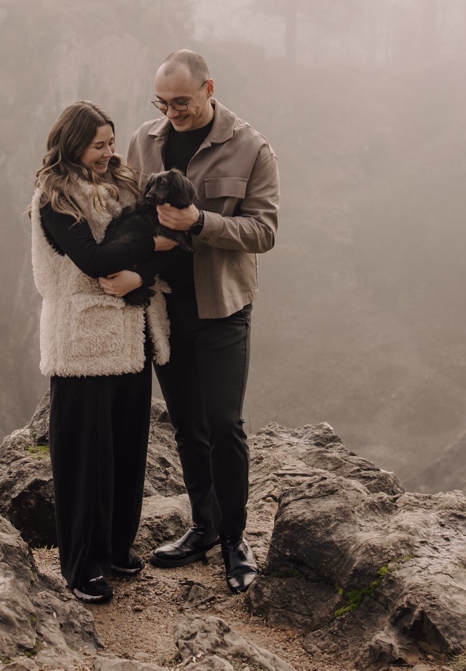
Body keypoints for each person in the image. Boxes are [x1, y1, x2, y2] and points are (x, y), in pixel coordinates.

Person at [126, 50, 279, 595]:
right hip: (165, 309)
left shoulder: (251, 147)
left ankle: (237, 539)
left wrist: (199, 222)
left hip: (223, 308)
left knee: (224, 425)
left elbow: (263, 231)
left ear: (210, 88)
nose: (173, 114)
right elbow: (128, 216)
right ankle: (204, 527)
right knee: (188, 426)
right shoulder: (143, 142)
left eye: (183, 102)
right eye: (162, 104)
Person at [29, 100, 178, 604]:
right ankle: (81, 565)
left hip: (131, 333)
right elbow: (93, 259)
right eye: (99, 145)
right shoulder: (54, 199)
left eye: (112, 142)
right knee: (84, 457)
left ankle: (116, 547)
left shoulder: (124, 187)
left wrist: (145, 266)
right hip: (82, 340)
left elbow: (142, 256)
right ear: (73, 146)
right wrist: (155, 245)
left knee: (126, 449)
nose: (109, 152)